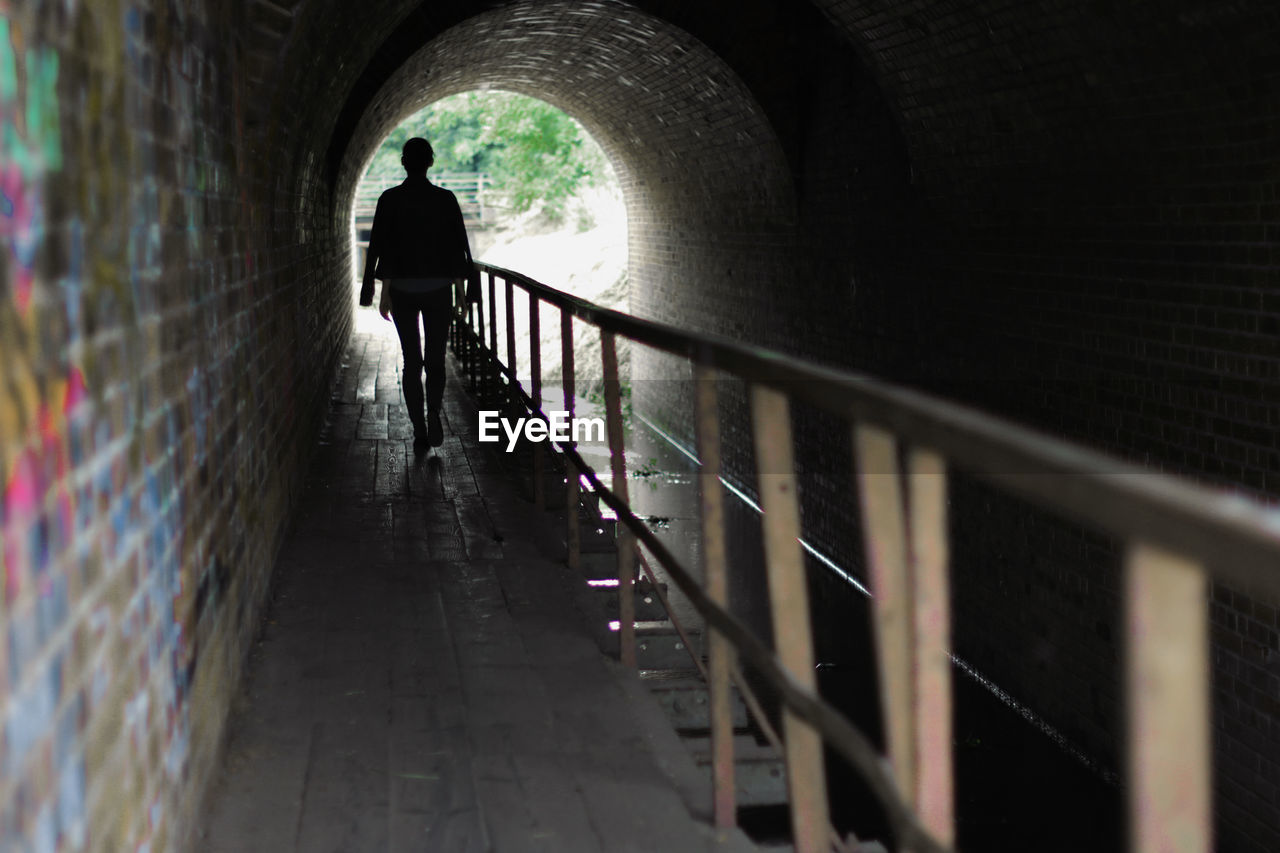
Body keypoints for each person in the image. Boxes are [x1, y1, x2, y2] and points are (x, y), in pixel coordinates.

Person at [360, 137, 474, 449]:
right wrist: (461, 292)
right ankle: (434, 410)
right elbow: (456, 247)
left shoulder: (390, 199)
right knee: (435, 358)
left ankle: (419, 429)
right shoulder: (445, 199)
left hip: (403, 291)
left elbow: (383, 246)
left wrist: (381, 290)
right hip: (439, 290)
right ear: (430, 162)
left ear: (403, 162)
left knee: (412, 361)